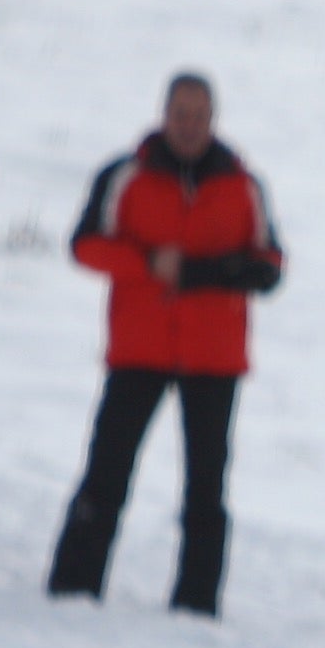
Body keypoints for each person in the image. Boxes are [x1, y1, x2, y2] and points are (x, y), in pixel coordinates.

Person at [44, 72, 284, 617]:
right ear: (163, 113)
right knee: (106, 475)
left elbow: (270, 267)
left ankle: (197, 605)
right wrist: (149, 264)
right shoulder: (125, 174)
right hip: (138, 351)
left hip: (214, 360)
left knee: (206, 490)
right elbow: (84, 246)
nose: (189, 125)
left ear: (213, 119)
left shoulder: (244, 185)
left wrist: (211, 273)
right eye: (181, 113)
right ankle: (72, 590)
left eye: (199, 115)